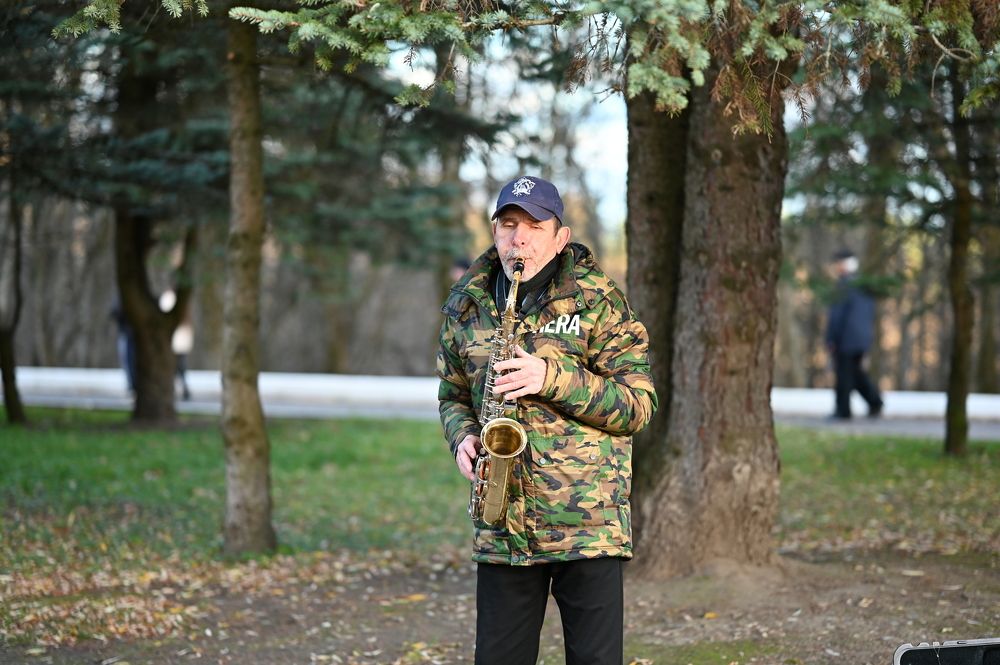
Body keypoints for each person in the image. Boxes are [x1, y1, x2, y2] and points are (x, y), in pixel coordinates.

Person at [436, 175, 658, 665]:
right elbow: (452, 394)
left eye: (535, 227)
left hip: (587, 526)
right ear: (494, 231)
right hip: (502, 524)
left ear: (561, 238)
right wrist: (463, 437)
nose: (519, 238)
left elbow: (638, 405)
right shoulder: (466, 304)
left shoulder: (599, 301)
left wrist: (550, 377)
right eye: (509, 224)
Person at [825, 249, 883, 419]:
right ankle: (875, 402)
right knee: (856, 374)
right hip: (862, 339)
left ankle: (843, 411)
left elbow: (837, 317)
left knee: (844, 375)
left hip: (846, 339)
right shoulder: (864, 287)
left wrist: (831, 339)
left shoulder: (844, 286)